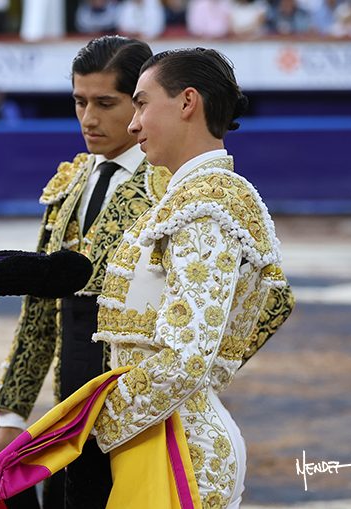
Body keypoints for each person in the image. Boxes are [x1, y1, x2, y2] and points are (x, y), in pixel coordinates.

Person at [92, 47, 292, 508]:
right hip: (163, 432)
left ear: (187, 102)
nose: (132, 123)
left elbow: (187, 356)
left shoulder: (205, 206)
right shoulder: (192, 197)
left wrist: (91, 422)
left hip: (181, 448)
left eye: (142, 103)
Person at [0, 35, 164, 509]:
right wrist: (13, 415)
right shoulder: (70, 184)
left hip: (145, 412)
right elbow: (40, 309)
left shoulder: (172, 185)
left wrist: (187, 380)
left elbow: (264, 301)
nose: (89, 118)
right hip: (69, 416)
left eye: (106, 103)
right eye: (80, 102)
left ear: (140, 102)